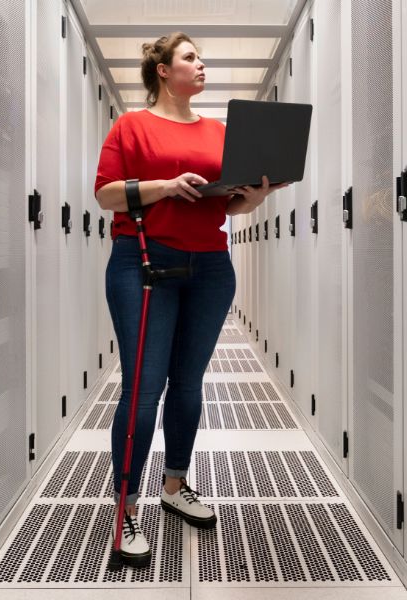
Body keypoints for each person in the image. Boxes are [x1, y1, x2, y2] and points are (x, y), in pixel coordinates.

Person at [94, 32, 288, 564]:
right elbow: (107, 192)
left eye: (200, 58)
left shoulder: (220, 132)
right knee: (143, 385)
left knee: (188, 383)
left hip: (209, 267)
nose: (201, 65)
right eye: (190, 58)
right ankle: (125, 508)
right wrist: (163, 185)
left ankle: (174, 486)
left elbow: (228, 209)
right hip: (145, 263)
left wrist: (255, 196)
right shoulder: (131, 125)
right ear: (162, 70)